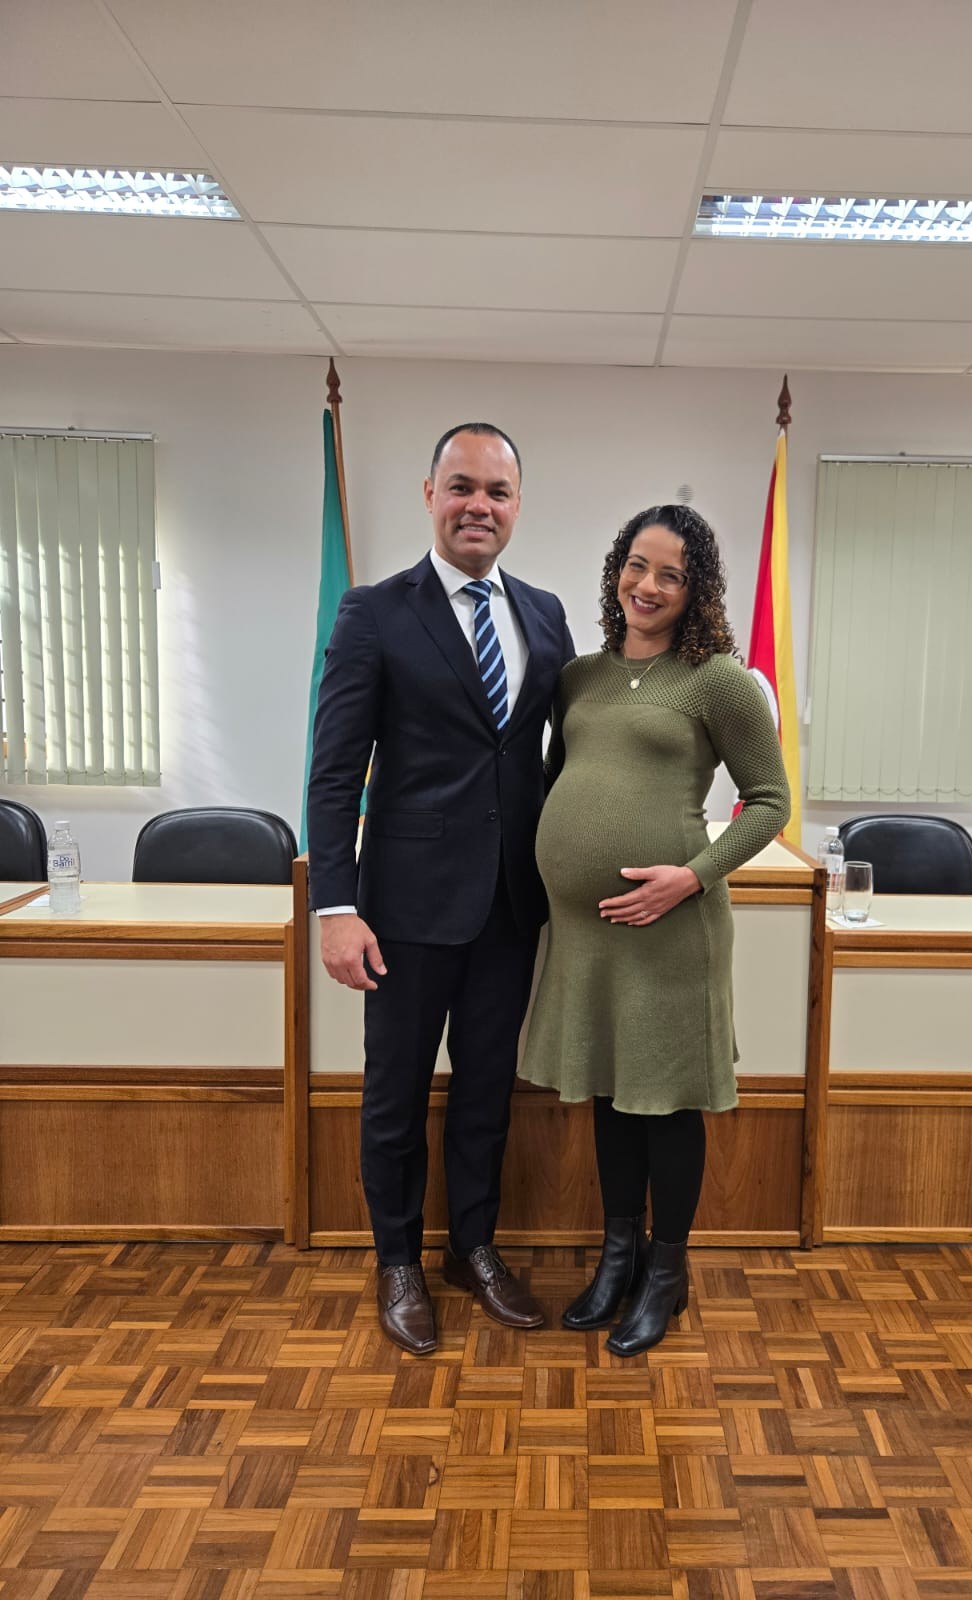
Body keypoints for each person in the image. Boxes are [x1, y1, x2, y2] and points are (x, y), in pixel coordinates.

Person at [306, 423, 574, 1356]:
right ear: (430, 495)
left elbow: (558, 758)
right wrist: (335, 909)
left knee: (486, 1093)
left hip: (510, 907)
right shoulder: (374, 613)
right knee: (395, 1096)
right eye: (461, 486)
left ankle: (473, 1247)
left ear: (516, 505)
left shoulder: (545, 615)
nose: (478, 506)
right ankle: (397, 1262)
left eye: (497, 491)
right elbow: (334, 774)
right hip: (404, 912)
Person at [519, 503, 789, 1356]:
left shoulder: (719, 681)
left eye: (671, 574)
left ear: (694, 588)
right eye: (638, 565)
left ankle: (667, 1272)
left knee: (666, 1102)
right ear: (618, 569)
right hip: (590, 933)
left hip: (671, 927)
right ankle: (618, 1258)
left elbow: (770, 803)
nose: (648, 585)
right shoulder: (578, 678)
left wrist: (692, 875)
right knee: (611, 1091)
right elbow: (560, 782)